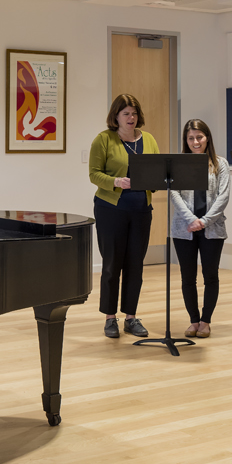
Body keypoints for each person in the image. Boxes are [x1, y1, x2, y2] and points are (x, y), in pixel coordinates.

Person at [88, 93, 160, 339]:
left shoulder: (148, 139)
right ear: (116, 116)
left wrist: (157, 181)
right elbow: (94, 174)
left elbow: (157, 170)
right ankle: (110, 318)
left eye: (134, 113)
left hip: (141, 210)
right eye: (126, 113)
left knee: (135, 265)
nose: (131, 117)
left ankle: (131, 316)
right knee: (111, 265)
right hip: (111, 210)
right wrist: (116, 181)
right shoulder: (104, 139)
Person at [168, 119, 232, 338]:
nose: (195, 142)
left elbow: (223, 196)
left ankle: (206, 321)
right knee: (188, 277)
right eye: (191, 138)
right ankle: (193, 320)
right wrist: (190, 219)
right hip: (184, 230)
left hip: (211, 229)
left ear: (207, 138)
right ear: (186, 141)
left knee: (210, 276)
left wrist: (204, 221)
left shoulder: (219, 163)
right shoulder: (178, 163)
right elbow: (174, 193)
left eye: (199, 137)